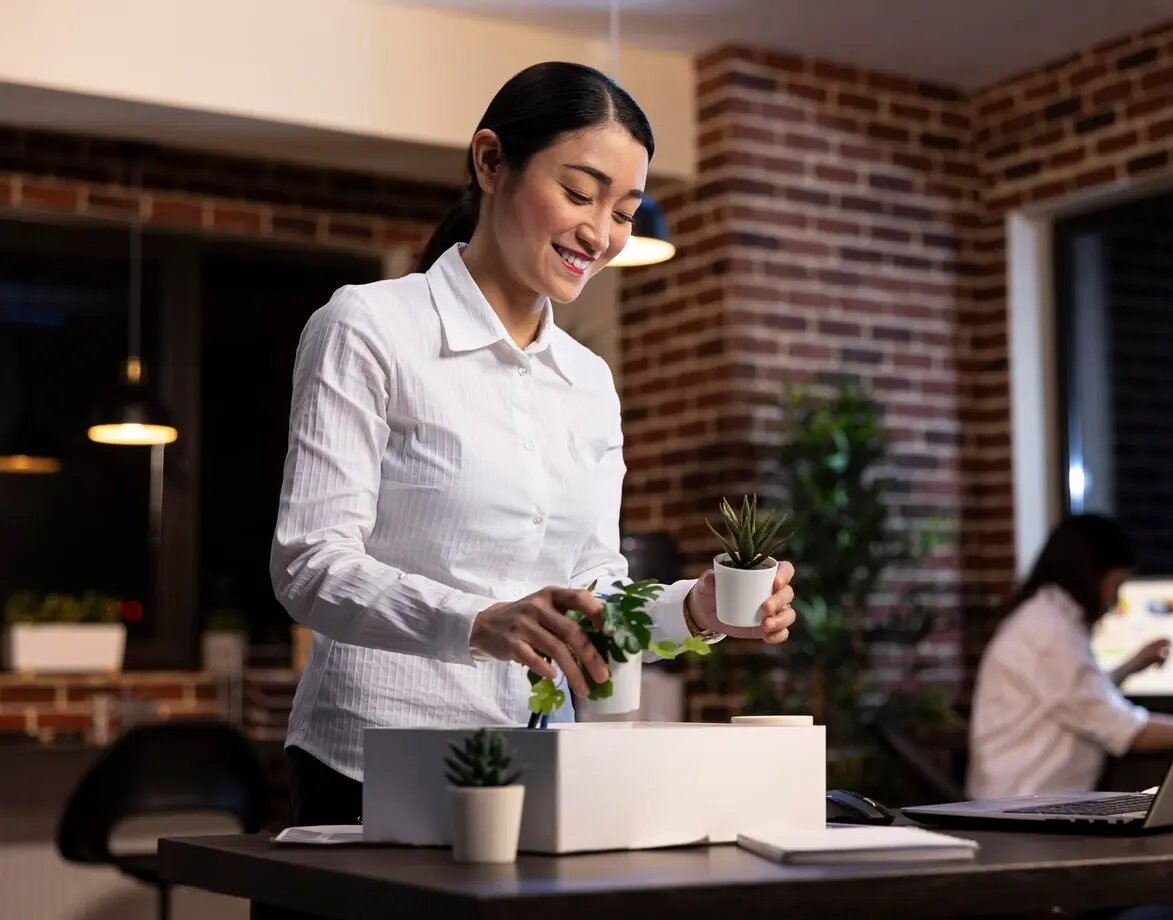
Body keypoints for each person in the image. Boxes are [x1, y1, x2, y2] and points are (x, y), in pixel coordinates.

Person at [269, 61, 797, 828]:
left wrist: (697, 609)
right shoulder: (370, 327)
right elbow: (309, 564)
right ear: (490, 161)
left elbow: (590, 597)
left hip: (539, 763)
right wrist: (479, 620)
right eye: (580, 193)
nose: (602, 232)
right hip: (373, 764)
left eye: (624, 210)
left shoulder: (588, 382)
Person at [966, 514, 1173, 802]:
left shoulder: (1045, 619)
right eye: (1117, 585)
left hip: (1024, 802)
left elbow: (1077, 697)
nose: (1115, 601)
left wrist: (1132, 666)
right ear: (1092, 574)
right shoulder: (1048, 633)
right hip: (1021, 809)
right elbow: (1121, 729)